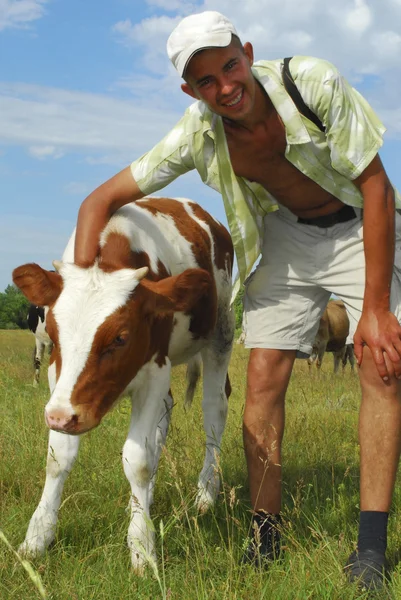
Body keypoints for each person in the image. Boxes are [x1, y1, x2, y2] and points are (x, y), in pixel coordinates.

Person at [74, 11, 401, 588]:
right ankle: (264, 537)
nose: (226, 87)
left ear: (247, 52)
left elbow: (376, 184)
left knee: (381, 364)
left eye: (230, 66)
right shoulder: (196, 135)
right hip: (284, 236)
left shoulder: (313, 83)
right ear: (189, 90)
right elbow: (98, 200)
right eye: (206, 81)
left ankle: (370, 549)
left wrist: (374, 310)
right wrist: (84, 295)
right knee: (262, 377)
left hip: (357, 222)